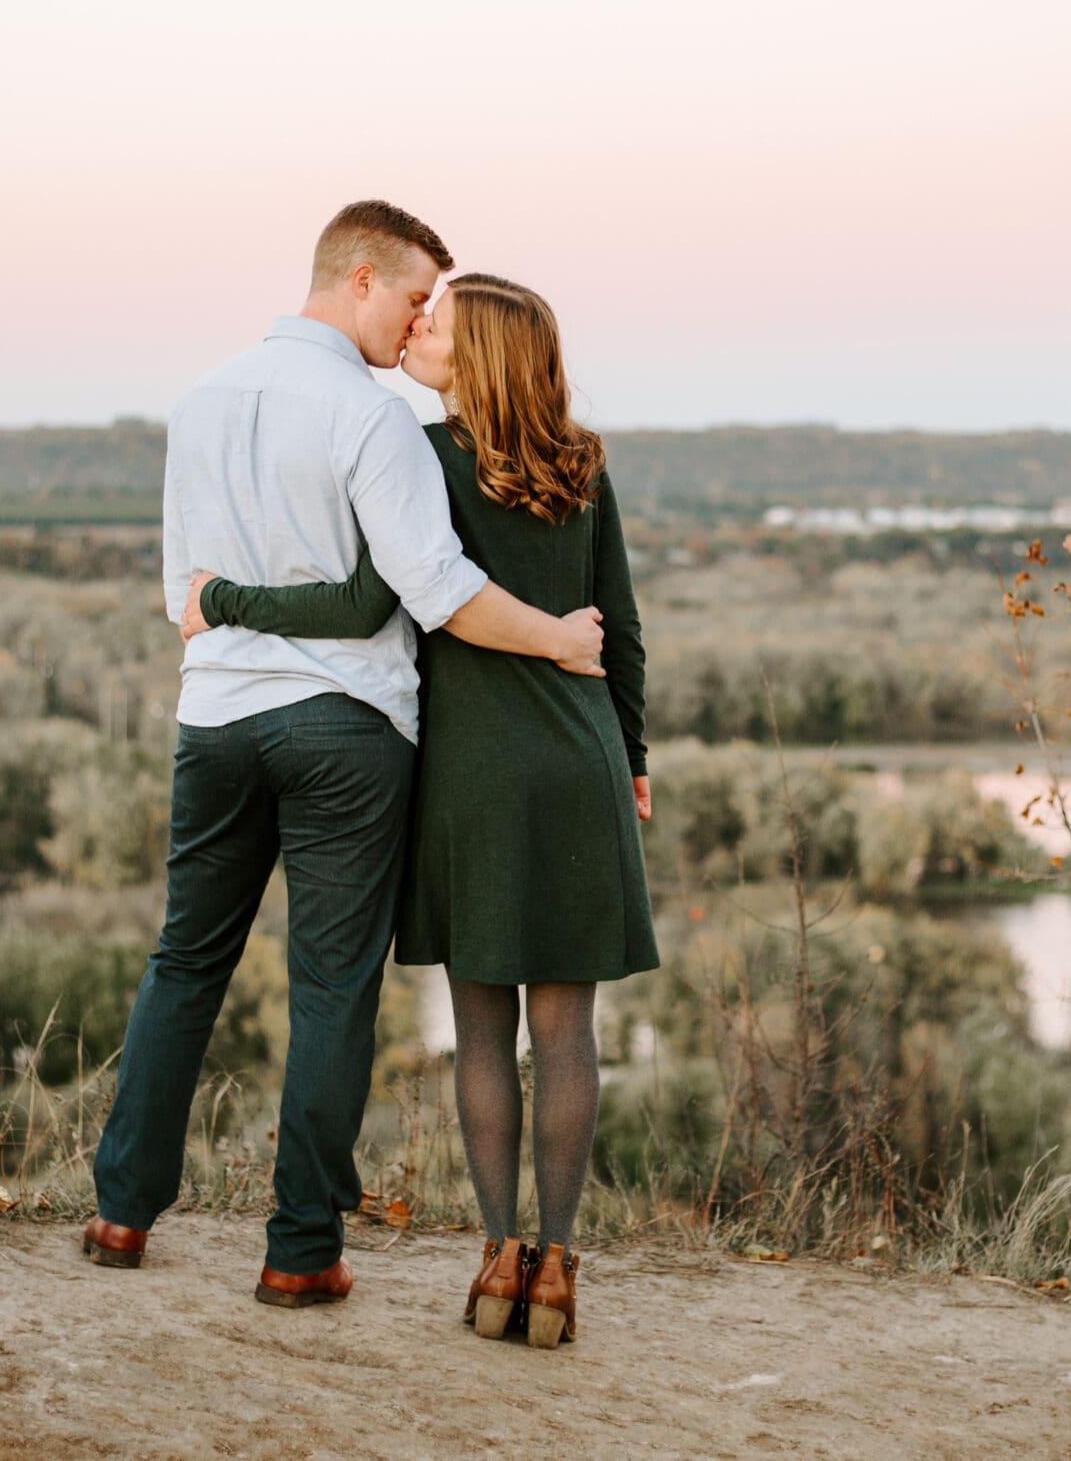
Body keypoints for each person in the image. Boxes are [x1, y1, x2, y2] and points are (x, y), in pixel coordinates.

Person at [83, 203, 606, 1312]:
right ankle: (300, 1249)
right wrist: (561, 637)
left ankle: (120, 1212)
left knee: (183, 962)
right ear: (360, 277)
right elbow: (430, 592)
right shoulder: (369, 420)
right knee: (330, 987)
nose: (422, 319)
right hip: (346, 733)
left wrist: (231, 610)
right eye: (415, 298)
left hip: (217, 721)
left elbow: (186, 595)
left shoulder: (199, 403)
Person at [185, 271, 653, 1349]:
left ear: (478, 351)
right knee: (567, 1027)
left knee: (482, 1025)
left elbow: (363, 605)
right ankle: (558, 1270)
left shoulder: (424, 459)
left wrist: (221, 602)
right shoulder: (582, 465)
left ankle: (496, 1259)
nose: (417, 328)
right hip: (577, 762)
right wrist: (629, 758)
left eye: (437, 322)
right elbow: (617, 628)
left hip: (471, 778)